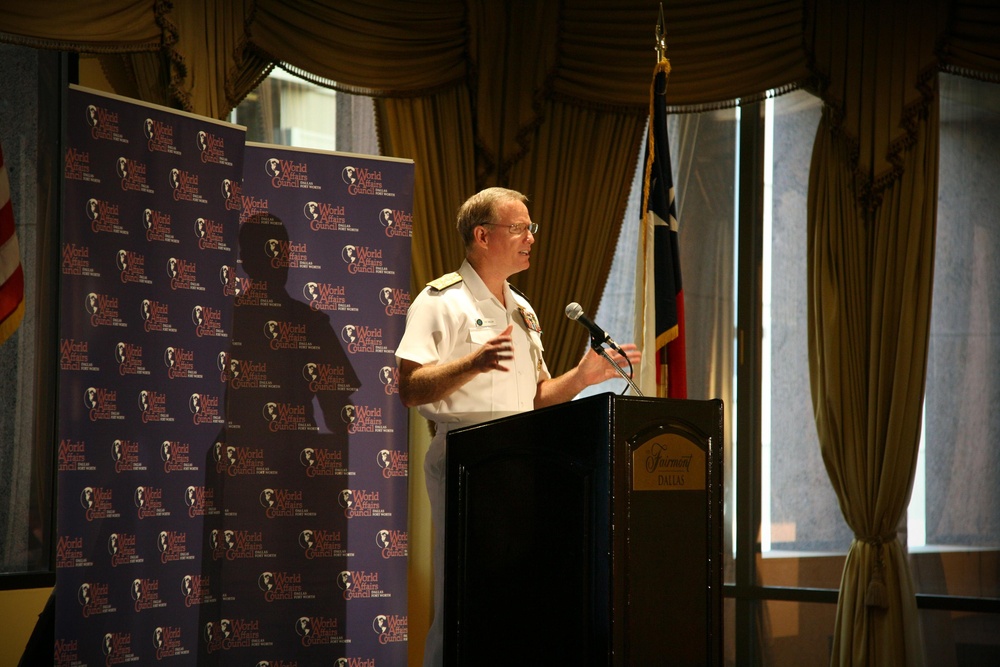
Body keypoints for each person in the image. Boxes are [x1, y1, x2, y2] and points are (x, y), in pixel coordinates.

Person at [395, 187, 641, 666]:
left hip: (524, 460)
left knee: (514, 596)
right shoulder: (440, 301)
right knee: (464, 594)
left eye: (532, 228)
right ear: (482, 236)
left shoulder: (522, 308)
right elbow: (409, 388)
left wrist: (584, 376)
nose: (531, 237)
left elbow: (537, 397)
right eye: (520, 228)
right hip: (468, 458)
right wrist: (472, 364)